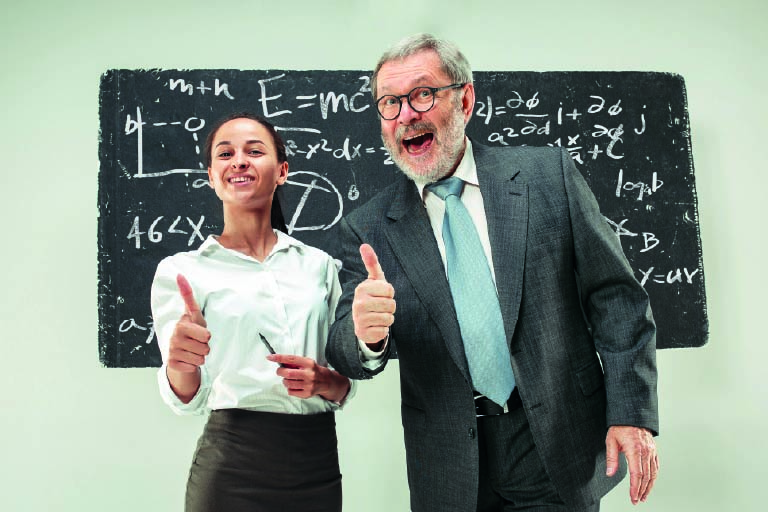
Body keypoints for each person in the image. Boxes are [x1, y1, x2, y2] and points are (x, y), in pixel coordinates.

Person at [326, 34, 659, 512]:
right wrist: (364, 335)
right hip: (449, 463)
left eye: (422, 94)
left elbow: (618, 299)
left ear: (464, 98)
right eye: (389, 103)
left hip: (555, 443)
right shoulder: (370, 227)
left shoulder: (548, 177)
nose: (406, 115)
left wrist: (631, 414)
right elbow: (345, 351)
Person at [151, 112, 353, 512]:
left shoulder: (319, 266)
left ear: (282, 171)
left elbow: (343, 385)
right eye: (225, 153)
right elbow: (187, 397)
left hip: (318, 463)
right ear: (212, 176)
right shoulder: (182, 272)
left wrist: (324, 380)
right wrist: (180, 363)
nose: (239, 160)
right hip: (233, 465)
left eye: (254, 151)